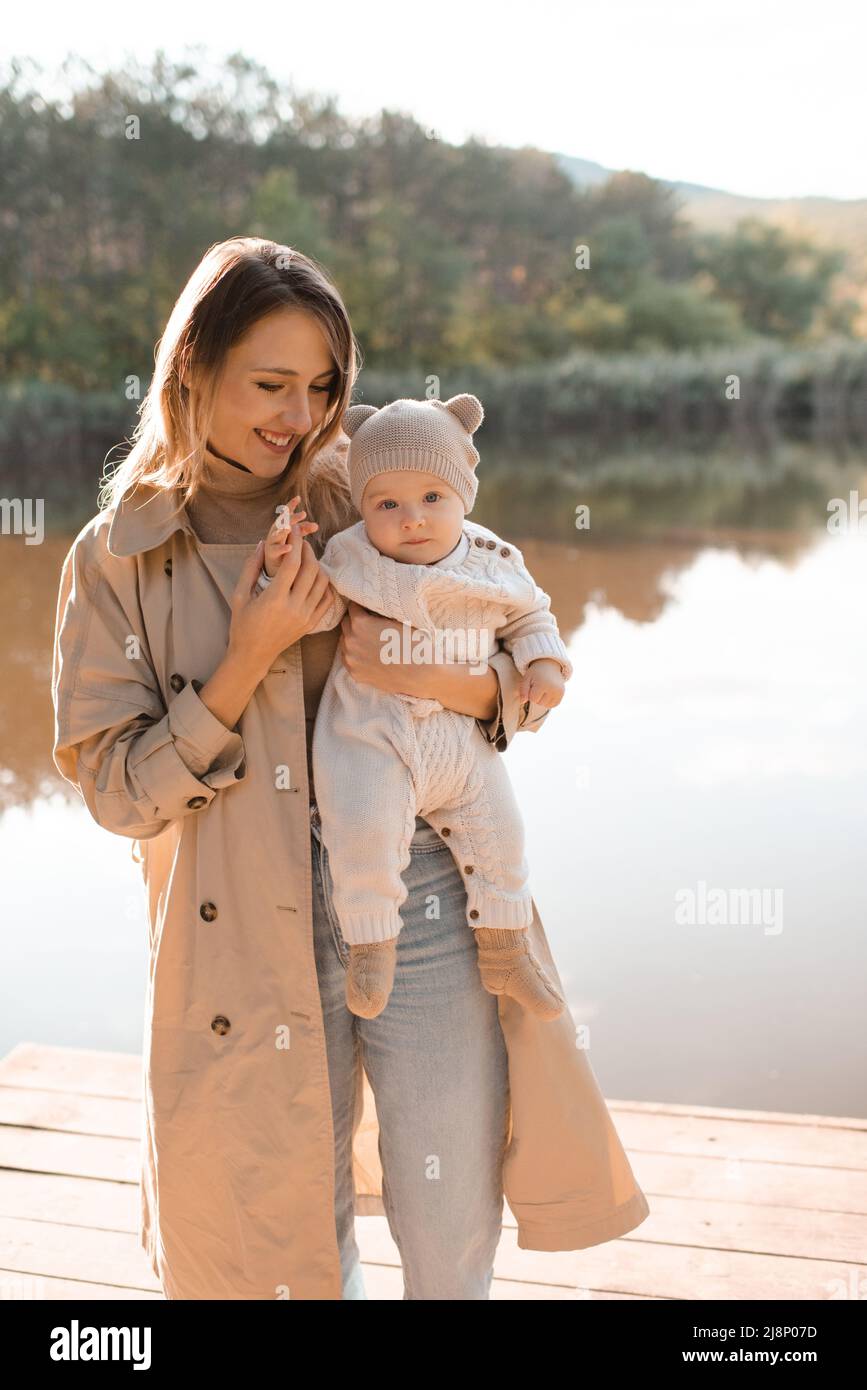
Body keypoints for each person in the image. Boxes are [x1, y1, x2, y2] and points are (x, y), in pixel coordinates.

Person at [51, 238, 654, 1301]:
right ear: (192, 368)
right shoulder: (118, 556)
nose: (298, 414)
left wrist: (455, 684)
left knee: (450, 1214)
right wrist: (244, 660)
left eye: (323, 386)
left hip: (421, 894)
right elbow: (111, 791)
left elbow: (508, 635)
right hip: (238, 929)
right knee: (280, 1243)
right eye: (270, 384)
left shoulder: (368, 492)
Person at [256, 393, 573, 1021]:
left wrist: (543, 664)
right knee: (363, 829)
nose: (412, 519)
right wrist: (279, 567)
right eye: (387, 504)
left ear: (463, 496)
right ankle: (372, 945)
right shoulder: (351, 556)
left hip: (464, 744)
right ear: (363, 508)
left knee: (503, 834)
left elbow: (531, 614)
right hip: (373, 735)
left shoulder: (492, 560)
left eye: (433, 498)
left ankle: (505, 948)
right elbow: (310, 612)